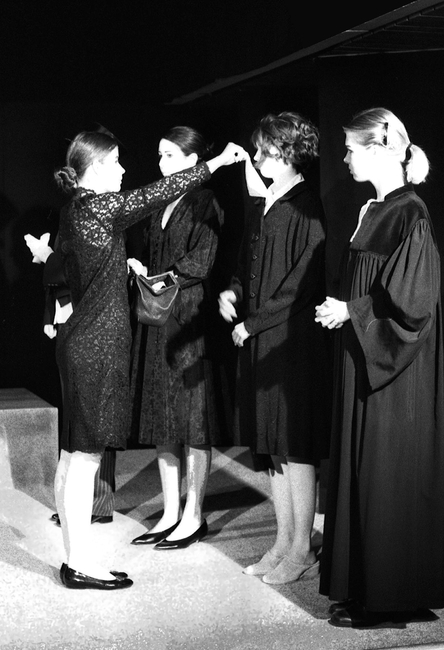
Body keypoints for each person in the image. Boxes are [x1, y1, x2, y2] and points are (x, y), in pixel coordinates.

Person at [50, 127, 245, 590]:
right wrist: (216, 163)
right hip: (95, 349)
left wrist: (122, 268)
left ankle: (76, 559)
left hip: (81, 344)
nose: (123, 170)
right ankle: (81, 565)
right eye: (116, 162)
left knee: (73, 456)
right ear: (96, 167)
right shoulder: (100, 206)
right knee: (85, 461)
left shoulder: (77, 210)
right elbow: (155, 193)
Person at [315, 107, 444, 627]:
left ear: (381, 148)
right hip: (365, 357)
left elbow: (415, 302)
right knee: (366, 468)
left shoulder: (410, 213)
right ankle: (371, 590)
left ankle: (389, 600)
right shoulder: (376, 209)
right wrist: (346, 310)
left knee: (388, 472)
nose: (344, 159)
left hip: (394, 368)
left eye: (351, 149)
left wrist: (352, 311)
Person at [219, 111, 331, 584]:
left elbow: (301, 285)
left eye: (264, 151)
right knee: (272, 448)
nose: (258, 158)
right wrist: (233, 292)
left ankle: (302, 549)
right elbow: (247, 265)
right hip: (262, 341)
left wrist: (253, 323)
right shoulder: (266, 203)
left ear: (287, 153)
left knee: (294, 447)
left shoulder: (307, 207)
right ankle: (284, 542)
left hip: (290, 343)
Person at [128, 126, 227, 549]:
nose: (161, 162)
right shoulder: (159, 203)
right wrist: (141, 269)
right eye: (160, 154)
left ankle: (194, 514)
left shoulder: (206, 200)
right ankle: (170, 511)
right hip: (157, 316)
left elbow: (202, 262)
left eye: (170, 154)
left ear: (192, 159)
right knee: (161, 417)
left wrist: (158, 279)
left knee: (193, 419)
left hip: (187, 318)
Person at [24, 234, 116, 525]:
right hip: (69, 324)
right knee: (76, 413)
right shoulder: (71, 221)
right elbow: (59, 277)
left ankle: (99, 502)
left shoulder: (99, 222)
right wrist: (49, 315)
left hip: (93, 327)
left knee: (94, 412)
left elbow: (76, 271)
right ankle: (80, 502)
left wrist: (46, 255)